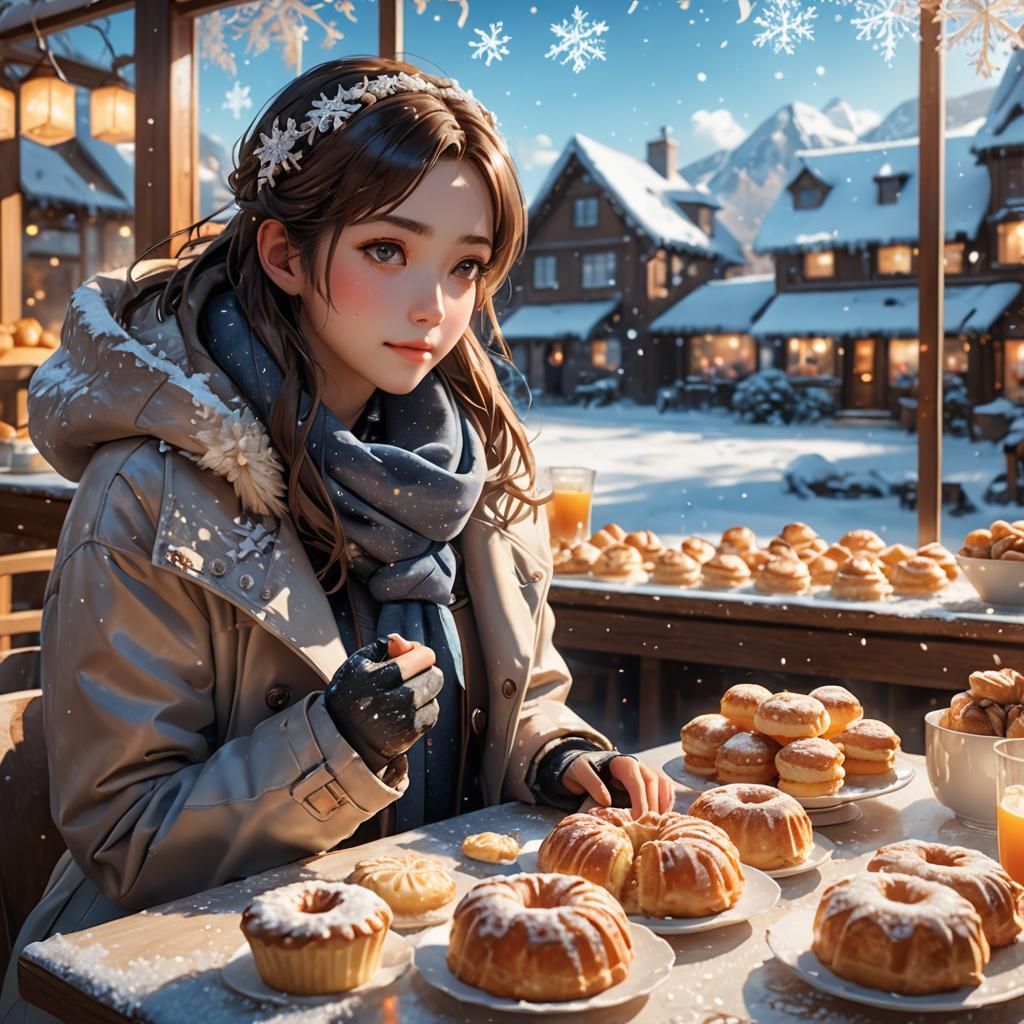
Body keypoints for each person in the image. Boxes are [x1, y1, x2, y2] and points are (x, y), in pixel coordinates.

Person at [0, 56, 673, 1021]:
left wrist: (555, 755)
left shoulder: (470, 474)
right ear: (282, 253)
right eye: (390, 251)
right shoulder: (147, 496)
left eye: (466, 265)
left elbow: (524, 697)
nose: (435, 307)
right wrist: (335, 745)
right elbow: (124, 838)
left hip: (421, 971)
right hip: (192, 983)